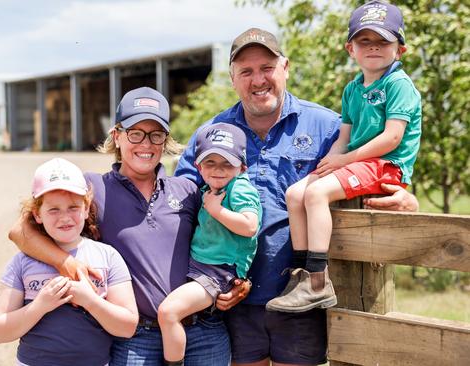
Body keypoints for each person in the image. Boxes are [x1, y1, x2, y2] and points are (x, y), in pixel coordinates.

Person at [174, 27, 420, 366]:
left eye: (267, 68)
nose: (258, 79)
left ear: (285, 68)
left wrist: (407, 199)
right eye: (246, 71)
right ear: (232, 79)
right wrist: (207, 283)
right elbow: (180, 208)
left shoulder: (326, 126)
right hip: (234, 297)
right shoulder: (211, 135)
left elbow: (371, 167)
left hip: (300, 297)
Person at [9, 87, 240, 366]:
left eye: (156, 135)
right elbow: (20, 231)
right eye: (135, 133)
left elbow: (224, 239)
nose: (146, 144)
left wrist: (238, 283)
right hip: (137, 339)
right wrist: (64, 262)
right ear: (116, 136)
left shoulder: (188, 190)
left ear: (165, 141)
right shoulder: (93, 188)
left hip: (204, 332)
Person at [266, 0, 421, 313]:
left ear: (400, 50)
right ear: (351, 49)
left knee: (317, 194)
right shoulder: (352, 89)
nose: (373, 48)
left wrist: (343, 161)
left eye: (383, 41)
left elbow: (392, 137)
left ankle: (319, 281)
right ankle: (300, 275)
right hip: (359, 162)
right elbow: (343, 138)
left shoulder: (398, 84)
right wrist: (328, 162)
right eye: (365, 41)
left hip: (386, 165)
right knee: (296, 193)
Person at [0, 158, 138, 366]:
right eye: (53, 209)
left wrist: (90, 300)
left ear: (86, 209)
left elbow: (128, 327)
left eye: (73, 207)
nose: (65, 217)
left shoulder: (107, 257)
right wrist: (40, 305)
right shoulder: (22, 263)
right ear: (37, 214)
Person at [158, 123, 262, 365]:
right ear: (198, 166)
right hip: (203, 266)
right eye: (210, 163)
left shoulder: (239, 188)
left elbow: (249, 226)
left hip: (218, 271)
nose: (218, 170)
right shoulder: (210, 188)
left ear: (242, 166)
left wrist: (216, 210)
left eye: (227, 163)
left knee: (168, 312)